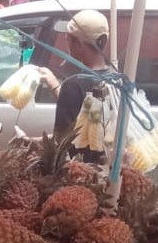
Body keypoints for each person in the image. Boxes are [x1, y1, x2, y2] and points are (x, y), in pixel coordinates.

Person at [37, 9, 116, 161]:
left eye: (68, 39)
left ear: (78, 44)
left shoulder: (73, 85)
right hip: (107, 166)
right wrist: (55, 86)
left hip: (80, 169)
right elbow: (87, 115)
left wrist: (30, 141)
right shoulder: (116, 80)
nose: (66, 44)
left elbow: (63, 141)